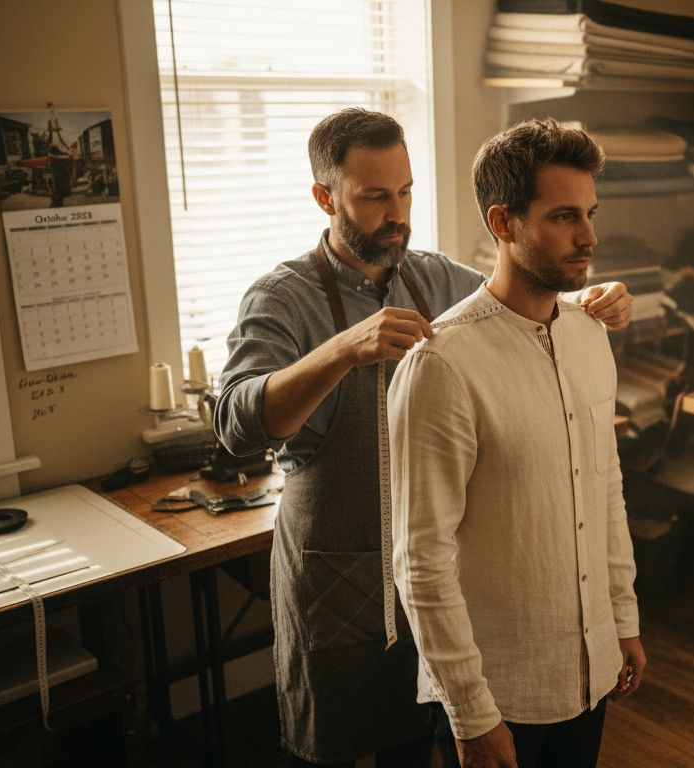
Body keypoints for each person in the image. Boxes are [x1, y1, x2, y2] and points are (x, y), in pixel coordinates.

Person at [214, 108, 633, 767]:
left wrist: (596, 302)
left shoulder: (433, 277)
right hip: (341, 571)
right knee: (339, 745)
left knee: (420, 744)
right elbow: (237, 425)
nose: (398, 213)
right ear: (326, 197)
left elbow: (515, 312)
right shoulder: (282, 298)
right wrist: (341, 351)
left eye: (406, 191)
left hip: (433, 584)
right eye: (375, 197)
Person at [388, 118, 645, 768]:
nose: (588, 236)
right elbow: (421, 562)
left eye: (590, 212)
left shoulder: (590, 333)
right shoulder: (441, 366)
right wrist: (472, 716)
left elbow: (605, 488)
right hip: (497, 696)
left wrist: (623, 619)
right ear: (503, 224)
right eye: (564, 216)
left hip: (587, 669)